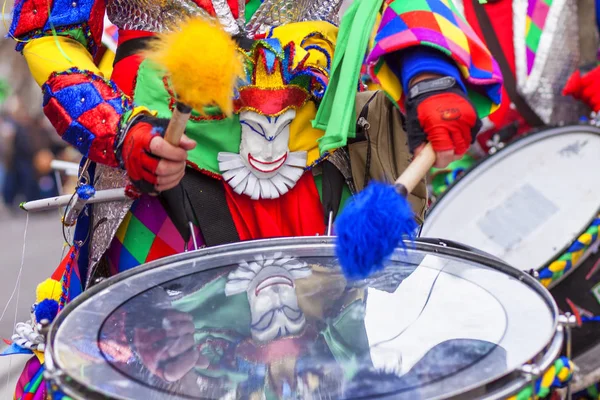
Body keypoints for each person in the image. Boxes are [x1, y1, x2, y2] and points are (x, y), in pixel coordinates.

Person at [5, 1, 502, 397]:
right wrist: (116, 129)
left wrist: (426, 72)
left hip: (315, 201)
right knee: (157, 374)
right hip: (161, 192)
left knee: (324, 377)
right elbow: (52, 32)